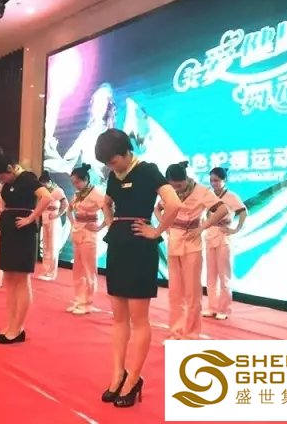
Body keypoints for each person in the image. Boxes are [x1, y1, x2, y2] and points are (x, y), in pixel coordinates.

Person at [95, 129, 181, 408]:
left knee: (138, 318)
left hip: (141, 247)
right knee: (118, 317)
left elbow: (174, 203)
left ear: (126, 152)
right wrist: (112, 224)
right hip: (118, 245)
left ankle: (133, 378)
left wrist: (157, 231)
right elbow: (106, 203)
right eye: (107, 164)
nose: (112, 167)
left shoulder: (148, 170)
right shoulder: (113, 177)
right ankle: (117, 374)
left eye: (113, 161)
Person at [155, 162, 228, 342]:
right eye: (173, 186)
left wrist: (202, 227)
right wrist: (165, 225)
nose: (176, 189)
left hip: (192, 246)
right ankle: (176, 333)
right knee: (175, 293)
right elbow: (158, 208)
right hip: (174, 243)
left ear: (186, 179)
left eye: (179, 186)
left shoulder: (202, 191)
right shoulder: (169, 191)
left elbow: (222, 210)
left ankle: (191, 336)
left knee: (192, 294)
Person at [0, 147, 52, 344]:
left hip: (23, 233)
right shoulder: (9, 184)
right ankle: (10, 324)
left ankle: (18, 327)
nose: (2, 181)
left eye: (2, 177)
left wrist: (31, 218)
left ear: (10, 168)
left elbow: (46, 197)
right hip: (9, 230)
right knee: (9, 279)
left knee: (21, 280)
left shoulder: (28, 178)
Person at [203, 167, 247, 320]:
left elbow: (243, 211)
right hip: (210, 235)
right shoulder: (209, 195)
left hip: (224, 236)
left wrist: (236, 229)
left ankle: (224, 309)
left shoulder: (231, 196)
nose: (213, 183)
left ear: (224, 180)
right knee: (211, 275)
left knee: (224, 275)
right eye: (211, 180)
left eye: (216, 180)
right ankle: (212, 307)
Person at [66, 163, 105, 314]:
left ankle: (87, 303)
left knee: (89, 269)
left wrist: (100, 227)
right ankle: (78, 300)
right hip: (77, 231)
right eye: (73, 183)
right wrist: (73, 223)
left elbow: (109, 210)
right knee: (78, 269)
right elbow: (69, 210)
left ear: (86, 179)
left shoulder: (97, 193)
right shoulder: (77, 195)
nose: (75, 185)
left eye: (77, 182)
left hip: (89, 233)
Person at [38, 170, 68, 281]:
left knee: (53, 245)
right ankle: (45, 270)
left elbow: (65, 204)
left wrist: (58, 215)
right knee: (45, 245)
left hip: (54, 219)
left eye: (44, 184)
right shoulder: (44, 192)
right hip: (45, 217)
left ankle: (52, 273)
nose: (43, 186)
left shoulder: (58, 190)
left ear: (49, 182)